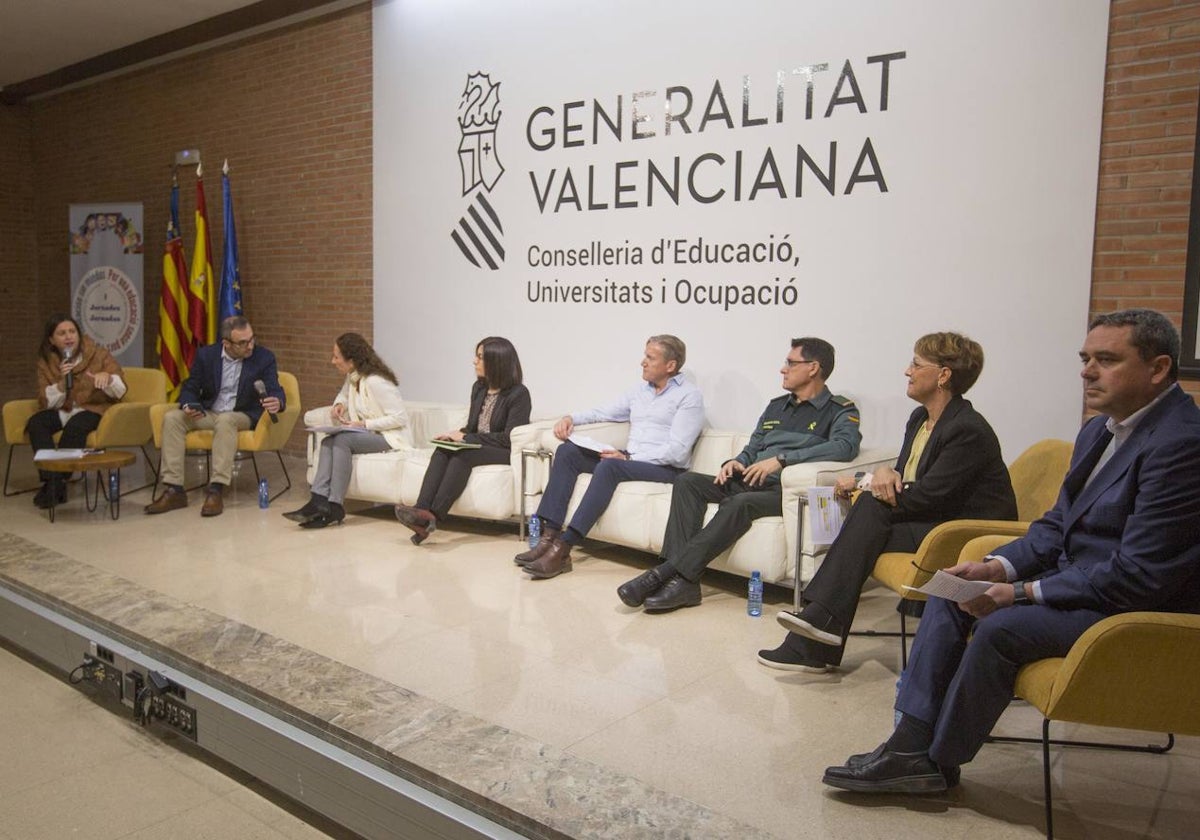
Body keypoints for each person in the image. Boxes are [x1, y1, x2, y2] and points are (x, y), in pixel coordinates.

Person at [823, 309, 1200, 795]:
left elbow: (1139, 574)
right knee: (951, 589)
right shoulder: (1100, 429)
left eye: (1106, 360)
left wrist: (1019, 592)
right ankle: (910, 743)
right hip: (1085, 585)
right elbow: (1056, 524)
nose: (1087, 371)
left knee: (1002, 627)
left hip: (1134, 608)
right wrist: (997, 566)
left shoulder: (1182, 444)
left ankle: (938, 759)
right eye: (1085, 358)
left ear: (1159, 369)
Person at [758, 331, 1017, 673]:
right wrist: (869, 480)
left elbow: (928, 495)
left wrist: (871, 488)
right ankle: (816, 632)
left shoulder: (967, 428)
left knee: (867, 515)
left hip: (964, 532)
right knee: (866, 516)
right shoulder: (920, 419)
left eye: (915, 363)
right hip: (933, 519)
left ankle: (817, 627)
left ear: (943, 375)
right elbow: (901, 478)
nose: (907, 372)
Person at [616, 337, 862, 612]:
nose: (783, 369)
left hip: (781, 491)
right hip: (749, 481)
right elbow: (753, 447)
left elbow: (845, 446)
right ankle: (685, 584)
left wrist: (782, 460)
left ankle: (663, 574)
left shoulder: (840, 410)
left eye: (791, 363)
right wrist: (736, 461)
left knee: (739, 503)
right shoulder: (776, 406)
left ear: (813, 368)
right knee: (688, 482)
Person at [517, 335, 706, 580]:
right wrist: (570, 418)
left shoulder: (689, 397)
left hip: (666, 468)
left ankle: (564, 548)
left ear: (670, 365)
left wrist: (629, 458)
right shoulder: (640, 391)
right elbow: (603, 411)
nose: (643, 362)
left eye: (650, 357)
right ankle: (548, 537)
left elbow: (678, 451)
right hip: (631, 460)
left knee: (610, 466)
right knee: (568, 452)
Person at [395, 336, 531, 545]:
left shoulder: (518, 394)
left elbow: (507, 438)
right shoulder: (479, 388)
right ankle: (421, 511)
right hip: (477, 444)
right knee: (443, 449)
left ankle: (434, 516)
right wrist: (454, 435)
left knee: (463, 454)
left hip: (504, 451)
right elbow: (472, 427)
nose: (474, 362)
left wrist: (466, 438)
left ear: (497, 362)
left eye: (480, 357)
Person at [144, 315, 284, 518]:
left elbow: (275, 388)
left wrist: (278, 402)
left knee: (226, 420)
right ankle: (174, 489)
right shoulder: (206, 356)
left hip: (242, 414)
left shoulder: (264, 357)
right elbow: (190, 387)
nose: (250, 346)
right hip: (210, 411)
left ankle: (216, 489)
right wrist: (188, 404)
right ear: (226, 343)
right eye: (243, 343)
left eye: (252, 339)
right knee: (173, 418)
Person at [283, 332, 410, 529]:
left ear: (351, 361)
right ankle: (318, 500)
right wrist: (339, 405)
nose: (332, 361)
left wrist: (365, 425)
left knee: (342, 440)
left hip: (391, 437)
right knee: (327, 441)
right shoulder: (353, 377)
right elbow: (343, 395)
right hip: (368, 435)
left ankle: (335, 504)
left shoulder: (376, 381)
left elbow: (400, 417)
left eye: (336, 357)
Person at [27, 314, 126, 508]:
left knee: (77, 424)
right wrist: (63, 383)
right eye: (62, 333)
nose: (68, 337)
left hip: (94, 409)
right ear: (51, 340)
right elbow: (45, 401)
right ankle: (52, 480)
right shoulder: (46, 361)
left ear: (79, 335)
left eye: (72, 332)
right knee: (36, 423)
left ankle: (57, 481)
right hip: (64, 409)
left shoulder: (98, 354)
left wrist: (107, 377)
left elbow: (121, 389)